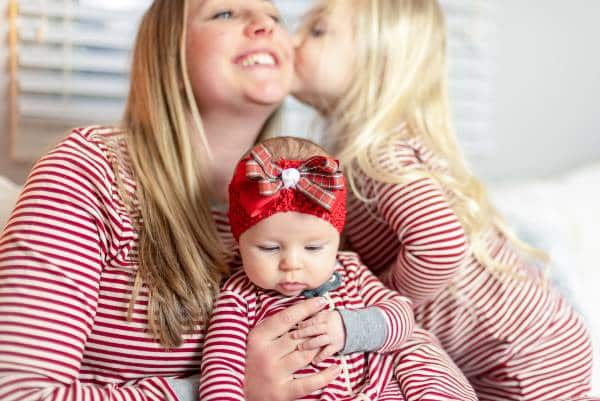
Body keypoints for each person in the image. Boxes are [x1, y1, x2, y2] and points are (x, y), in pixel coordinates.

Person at [0, 1, 340, 400]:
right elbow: (20, 392)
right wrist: (229, 390)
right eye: (225, 13)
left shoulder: (317, 186)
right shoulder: (91, 172)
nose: (264, 24)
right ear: (169, 58)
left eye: (276, 18)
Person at [292, 1, 597, 400]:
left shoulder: (381, 154)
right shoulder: (357, 153)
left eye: (317, 31)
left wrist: (382, 304)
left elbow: (440, 244)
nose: (291, 39)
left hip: (525, 354)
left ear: (378, 58)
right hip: (514, 349)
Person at [199, 136, 478, 401]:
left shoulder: (350, 271)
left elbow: (402, 316)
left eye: (313, 248)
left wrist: (350, 328)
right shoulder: (238, 298)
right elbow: (220, 374)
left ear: (336, 241)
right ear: (240, 241)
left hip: (376, 389)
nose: (292, 264)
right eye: (270, 248)